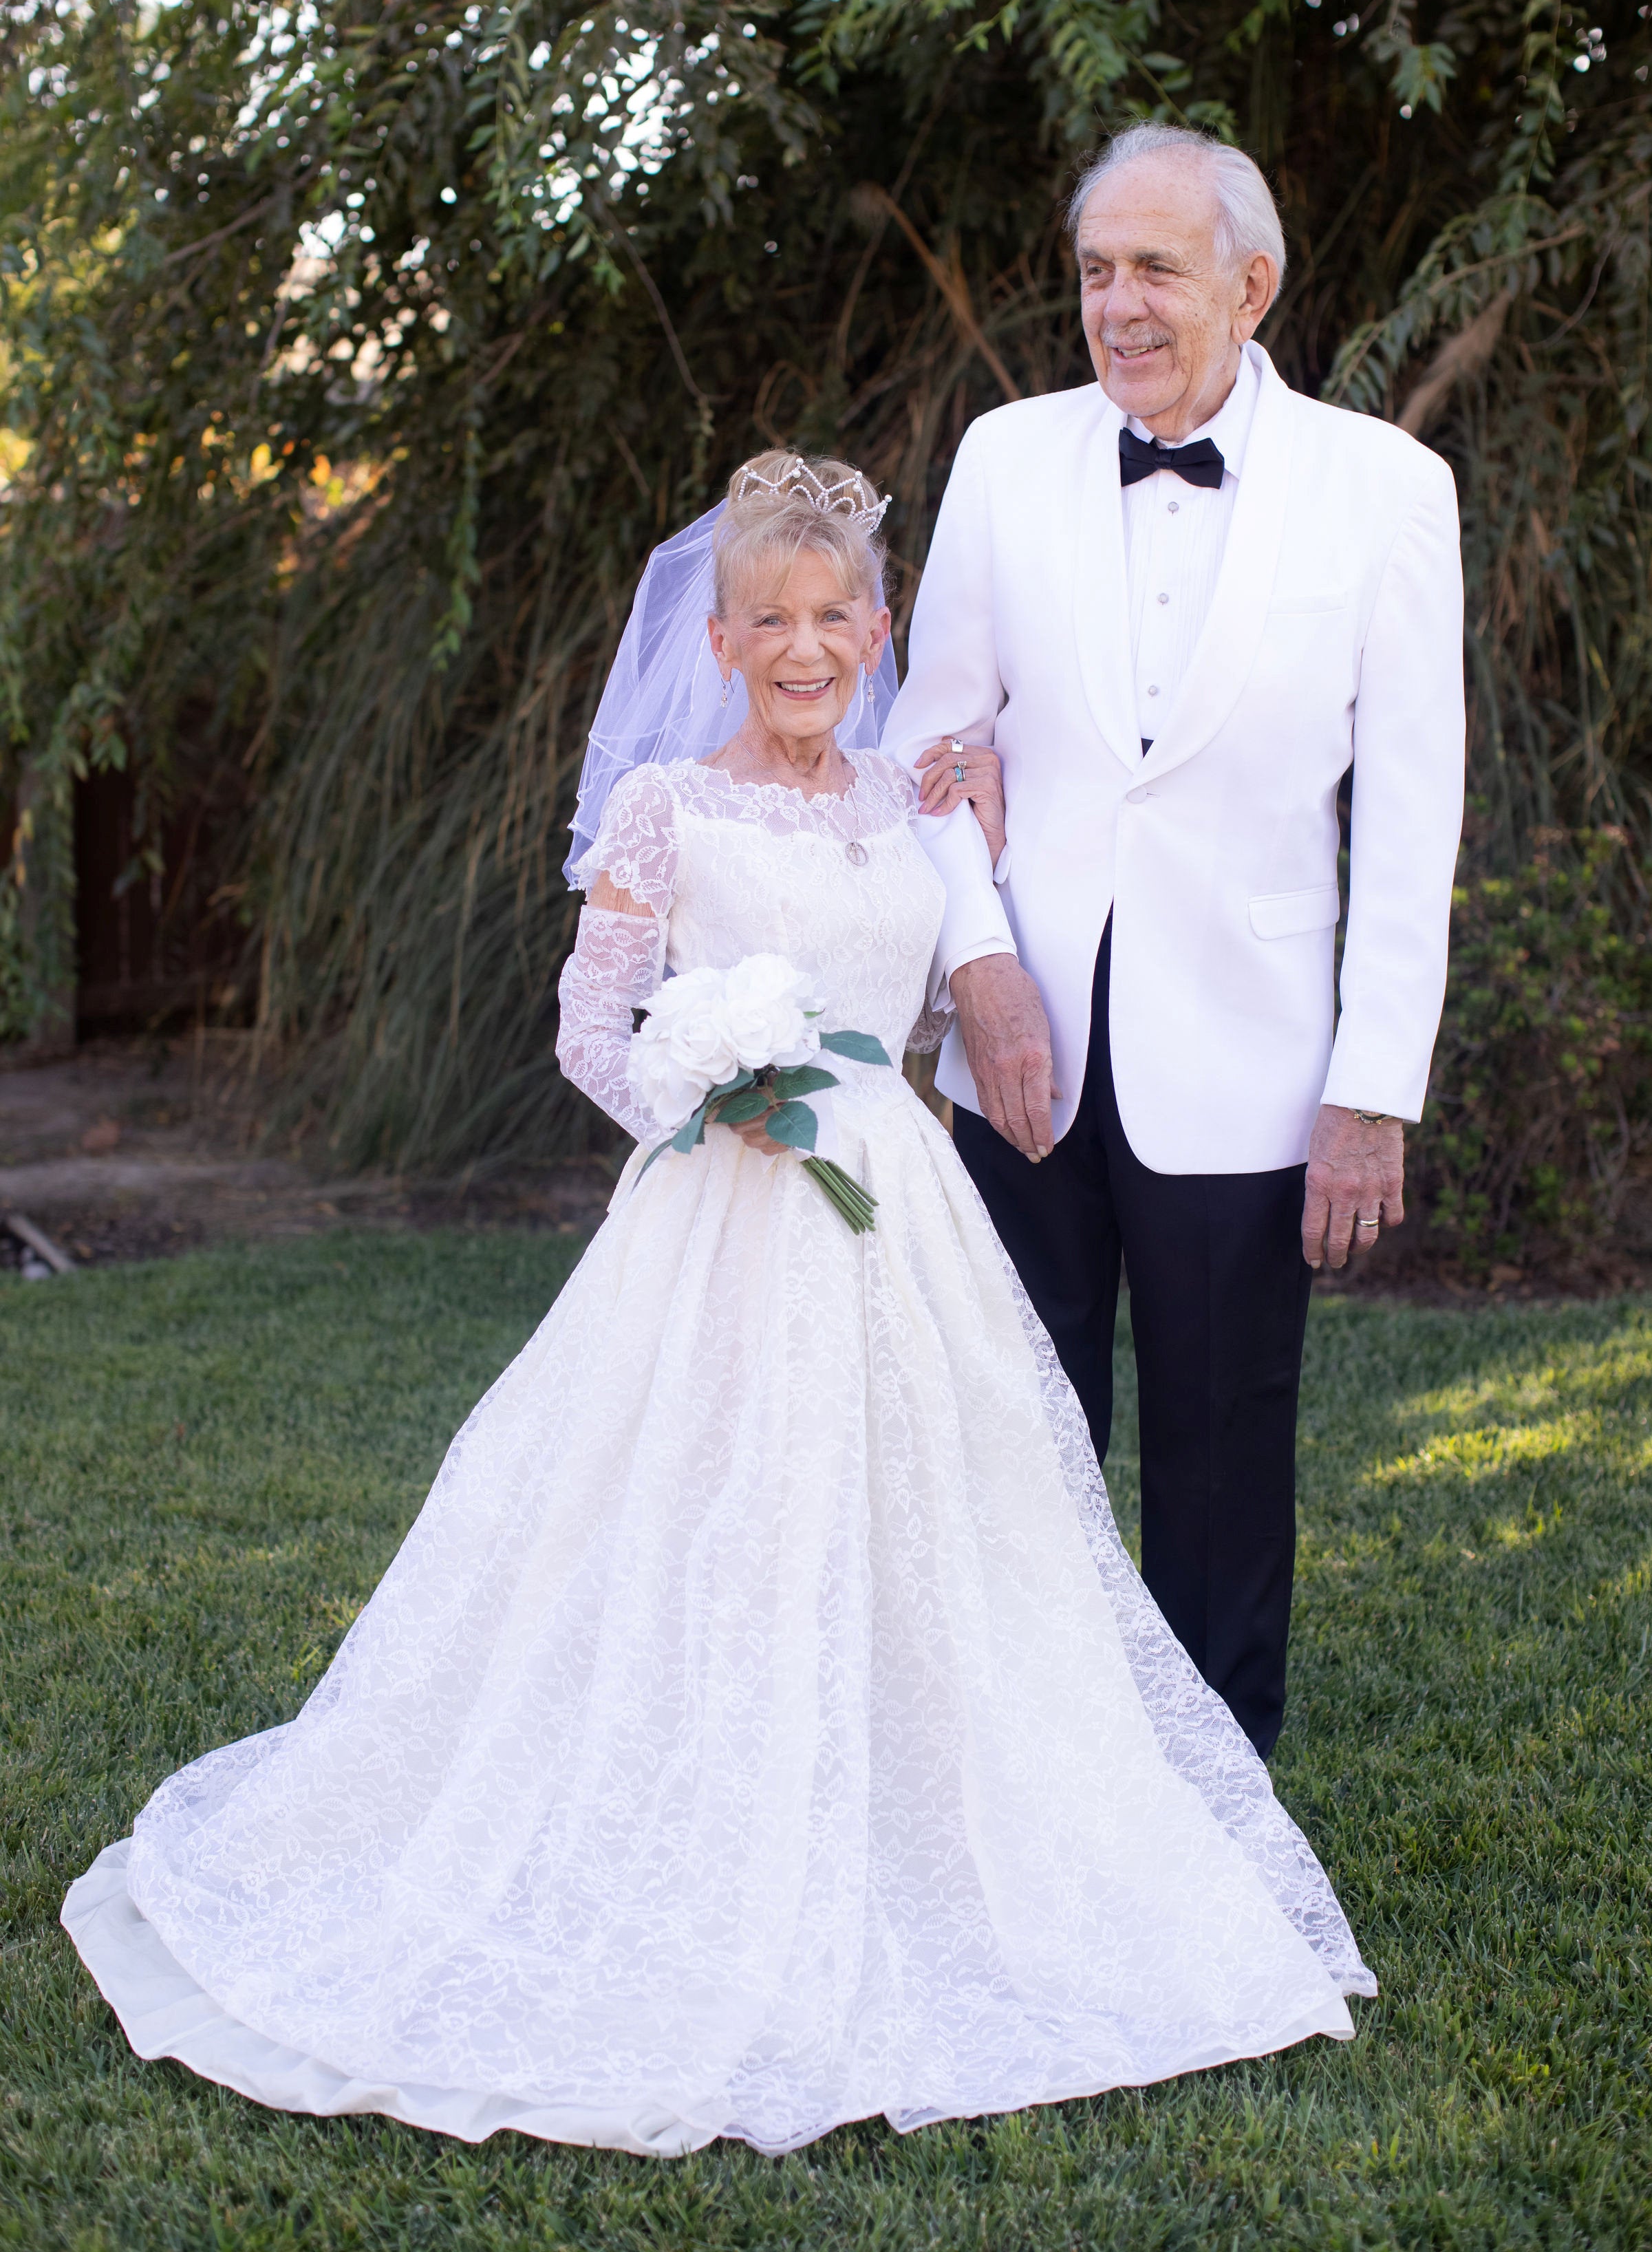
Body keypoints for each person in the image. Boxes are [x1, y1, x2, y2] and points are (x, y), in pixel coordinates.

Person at [62, 450, 1373, 2160]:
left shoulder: (922, 791)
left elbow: (1064, 864)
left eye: (836, 616)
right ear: (723, 632)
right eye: (773, 619)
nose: (807, 645)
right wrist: (704, 1092)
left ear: (878, 627)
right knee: (700, 1508)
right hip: (725, 1205)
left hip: (900, 1209)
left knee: (936, 1505)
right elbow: (590, 1027)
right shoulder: (666, 809)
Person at [884, 123, 1466, 1763]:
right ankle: (1026, 1785)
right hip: (1023, 1052)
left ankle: (1218, 1827)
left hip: (1254, 1060)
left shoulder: (1385, 491)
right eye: (1092, 272)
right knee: (1017, 1440)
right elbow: (934, 748)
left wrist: (1372, 1091)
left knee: (1222, 1457)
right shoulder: (1005, 457)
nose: (1116, 306)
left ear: (1251, 282)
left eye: (1154, 268)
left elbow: (1415, 819)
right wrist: (979, 973)